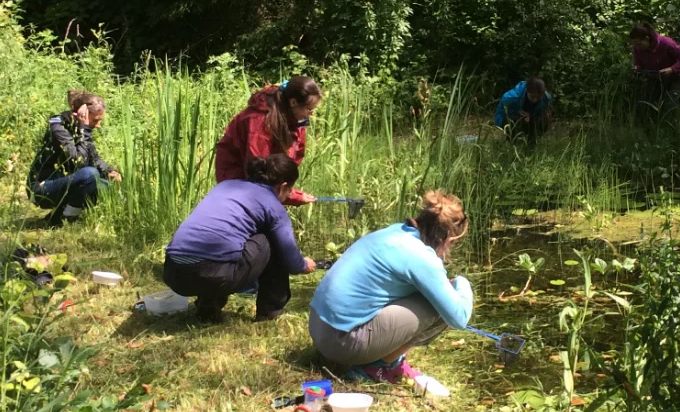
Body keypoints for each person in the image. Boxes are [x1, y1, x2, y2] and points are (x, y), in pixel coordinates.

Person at [308, 191, 473, 383]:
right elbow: (458, 318)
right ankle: (377, 367)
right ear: (448, 239)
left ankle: (390, 359)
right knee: (439, 306)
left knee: (427, 295)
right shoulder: (421, 256)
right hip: (340, 343)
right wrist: (462, 282)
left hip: (318, 327)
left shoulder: (394, 232)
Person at [164, 154, 316, 323]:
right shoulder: (272, 205)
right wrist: (304, 264)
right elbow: (291, 262)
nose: (288, 196)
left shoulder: (226, 186)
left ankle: (208, 310)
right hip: (212, 275)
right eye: (289, 191)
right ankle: (269, 313)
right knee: (270, 239)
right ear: (283, 186)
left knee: (222, 247)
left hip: (173, 272)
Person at [215, 76, 322, 206]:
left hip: (262, 176)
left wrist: (287, 189)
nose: (311, 114)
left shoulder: (298, 118)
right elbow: (258, 170)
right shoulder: (259, 121)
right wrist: (291, 196)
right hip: (237, 177)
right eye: (309, 109)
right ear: (293, 102)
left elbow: (294, 155)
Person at [28, 90, 121, 225]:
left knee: (107, 186)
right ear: (80, 115)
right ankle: (67, 218)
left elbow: (94, 159)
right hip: (42, 187)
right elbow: (80, 161)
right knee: (90, 174)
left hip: (67, 181)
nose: (98, 125)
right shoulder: (59, 128)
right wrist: (84, 129)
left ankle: (60, 215)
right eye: (96, 120)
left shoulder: (79, 128)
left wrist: (111, 172)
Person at [630, 22, 680, 120]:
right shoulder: (638, 49)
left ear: (647, 39)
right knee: (647, 103)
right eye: (635, 45)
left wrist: (672, 69)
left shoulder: (666, 43)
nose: (637, 47)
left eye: (639, 44)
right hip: (655, 78)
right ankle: (649, 127)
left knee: (670, 105)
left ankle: (669, 128)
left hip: (677, 77)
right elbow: (638, 63)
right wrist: (637, 68)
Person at [494, 77, 553, 143]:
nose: (535, 100)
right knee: (515, 121)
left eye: (538, 97)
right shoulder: (510, 97)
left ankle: (532, 141)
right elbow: (501, 113)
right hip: (511, 117)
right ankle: (512, 141)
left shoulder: (545, 99)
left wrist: (531, 114)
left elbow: (542, 112)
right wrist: (517, 111)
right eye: (532, 96)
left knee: (543, 119)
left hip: (530, 117)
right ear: (527, 91)